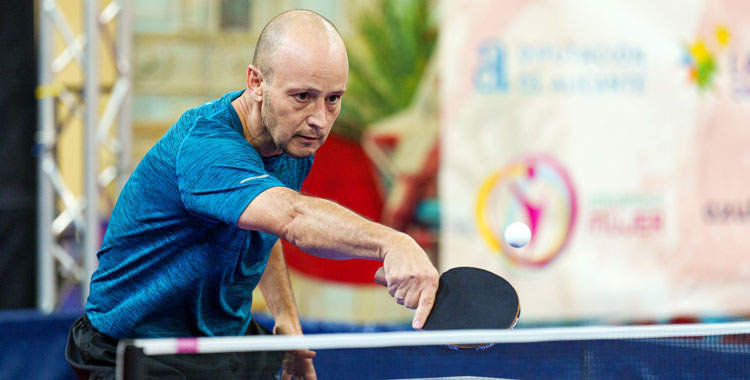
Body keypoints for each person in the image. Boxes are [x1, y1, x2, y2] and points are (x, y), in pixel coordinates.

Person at [64, 9, 439, 380]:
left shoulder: (291, 139)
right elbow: (292, 217)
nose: (320, 120)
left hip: (221, 341)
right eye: (303, 96)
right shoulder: (206, 147)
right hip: (134, 347)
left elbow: (262, 224)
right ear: (256, 83)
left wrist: (287, 320)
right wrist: (391, 242)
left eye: (333, 99)